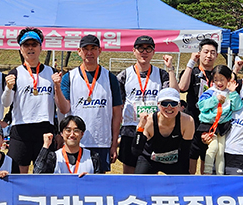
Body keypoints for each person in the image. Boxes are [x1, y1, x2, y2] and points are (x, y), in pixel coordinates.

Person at [56, 34, 123, 173]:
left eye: (93, 48)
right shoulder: (70, 77)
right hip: (76, 140)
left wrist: (113, 144)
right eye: (85, 49)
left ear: (100, 51)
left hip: (101, 141)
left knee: (99, 182)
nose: (89, 52)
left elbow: (117, 114)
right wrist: (57, 87)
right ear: (79, 51)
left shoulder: (110, 78)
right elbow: (64, 109)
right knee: (72, 178)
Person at [117, 35, 177, 174]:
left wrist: (170, 69)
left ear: (153, 52)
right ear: (134, 51)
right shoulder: (124, 75)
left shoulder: (161, 74)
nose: (144, 52)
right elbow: (118, 106)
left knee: (150, 171)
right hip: (131, 128)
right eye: (140, 48)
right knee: (129, 171)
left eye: (148, 49)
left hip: (153, 129)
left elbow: (174, 93)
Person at [2, 28, 59, 173]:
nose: (30, 48)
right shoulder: (15, 73)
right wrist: (8, 88)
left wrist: (58, 131)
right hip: (21, 129)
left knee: (45, 175)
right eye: (26, 45)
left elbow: (59, 105)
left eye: (34, 44)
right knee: (18, 176)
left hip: (45, 129)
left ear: (41, 47)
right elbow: (6, 103)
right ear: (21, 49)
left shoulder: (51, 73)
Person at [178, 38, 217, 173]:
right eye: (206, 52)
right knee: (190, 167)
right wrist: (191, 62)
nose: (209, 55)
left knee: (208, 167)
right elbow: (182, 87)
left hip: (211, 126)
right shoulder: (192, 72)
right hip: (192, 124)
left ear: (217, 55)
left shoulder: (218, 74)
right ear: (199, 53)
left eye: (212, 52)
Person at [134, 88, 195, 174]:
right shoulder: (149, 121)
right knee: (139, 180)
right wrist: (140, 127)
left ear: (179, 105)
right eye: (165, 103)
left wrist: (183, 177)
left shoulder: (187, 121)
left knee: (183, 179)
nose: (169, 107)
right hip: (149, 159)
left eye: (173, 103)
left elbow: (185, 152)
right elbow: (136, 151)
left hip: (174, 161)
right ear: (158, 105)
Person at [196, 65, 242, 175]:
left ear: (228, 79)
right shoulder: (210, 92)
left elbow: (237, 107)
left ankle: (220, 175)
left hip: (223, 126)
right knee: (213, 147)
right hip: (209, 125)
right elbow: (201, 106)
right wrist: (215, 99)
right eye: (216, 80)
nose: (219, 83)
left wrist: (233, 93)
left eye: (222, 79)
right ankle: (207, 172)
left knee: (221, 151)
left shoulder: (231, 93)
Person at [33, 115, 100, 175]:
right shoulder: (54, 157)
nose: (72, 134)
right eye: (68, 130)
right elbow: (37, 174)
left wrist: (90, 179)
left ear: (82, 134)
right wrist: (45, 146)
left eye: (76, 130)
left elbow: (100, 182)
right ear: (61, 133)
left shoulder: (93, 157)